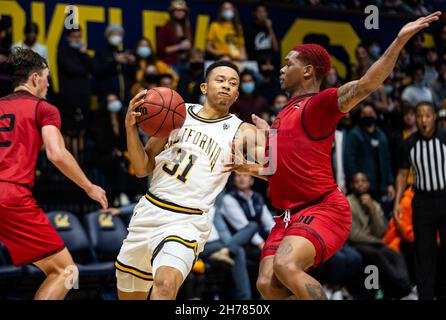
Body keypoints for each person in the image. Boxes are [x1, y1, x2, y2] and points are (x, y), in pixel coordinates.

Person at [225, 11, 442, 300]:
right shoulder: (281, 117)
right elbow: (274, 171)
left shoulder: (319, 104)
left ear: (307, 71)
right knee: (267, 285)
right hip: (287, 216)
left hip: (322, 208)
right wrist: (248, 165)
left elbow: (366, 84)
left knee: (287, 266)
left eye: (288, 64)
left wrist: (399, 41)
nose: (281, 68)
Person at [115, 60, 265, 300]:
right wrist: (130, 128)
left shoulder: (242, 131)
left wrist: (250, 164)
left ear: (237, 95)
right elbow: (143, 168)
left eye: (233, 83)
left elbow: (275, 169)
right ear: (204, 87)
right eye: (220, 80)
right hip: (149, 212)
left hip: (188, 221)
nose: (227, 85)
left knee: (164, 286)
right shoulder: (177, 113)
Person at [0, 48, 107, 300]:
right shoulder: (44, 108)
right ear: (36, 78)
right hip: (11, 195)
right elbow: (57, 154)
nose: (49, 83)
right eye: (47, 76)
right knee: (66, 271)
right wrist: (89, 186)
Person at [394, 101, 446, 300]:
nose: (424, 120)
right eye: (420, 116)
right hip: (422, 202)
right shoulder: (409, 143)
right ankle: (425, 296)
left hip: (444, 197)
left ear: (435, 117)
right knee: (424, 254)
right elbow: (401, 174)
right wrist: (397, 201)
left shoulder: (444, 137)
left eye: (428, 115)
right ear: (415, 119)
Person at [347, 173, 416, 299]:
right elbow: (353, 235)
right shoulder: (347, 204)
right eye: (357, 181)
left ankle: (405, 288)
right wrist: (378, 241)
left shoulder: (374, 204)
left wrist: (372, 209)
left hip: (375, 244)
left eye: (363, 181)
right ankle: (405, 288)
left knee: (395, 253)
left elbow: (381, 231)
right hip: (357, 245)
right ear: (352, 185)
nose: (360, 184)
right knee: (378, 255)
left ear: (368, 184)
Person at [344, 103, 395, 202]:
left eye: (370, 113)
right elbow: (349, 161)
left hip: (380, 187)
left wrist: (389, 183)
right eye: (364, 113)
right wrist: (356, 183)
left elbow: (387, 161)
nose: (367, 116)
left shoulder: (382, 135)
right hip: (361, 188)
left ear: (376, 115)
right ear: (360, 116)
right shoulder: (354, 134)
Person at [57, 27, 94, 159]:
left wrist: (84, 54)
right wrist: (84, 68)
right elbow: (72, 69)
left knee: (81, 132)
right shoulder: (63, 52)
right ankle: (67, 161)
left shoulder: (83, 54)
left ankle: (81, 163)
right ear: (68, 37)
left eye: (79, 36)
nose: (77, 39)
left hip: (83, 98)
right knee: (69, 132)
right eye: (74, 36)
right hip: (68, 99)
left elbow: (93, 68)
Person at [156, 0, 192, 70]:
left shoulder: (187, 28)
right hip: (171, 63)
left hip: (186, 63)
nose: (180, 12)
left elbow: (190, 45)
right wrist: (180, 46)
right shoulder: (165, 28)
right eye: (177, 10)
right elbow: (161, 50)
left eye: (182, 10)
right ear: (172, 12)